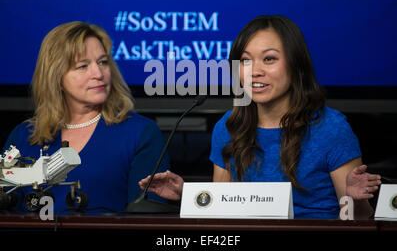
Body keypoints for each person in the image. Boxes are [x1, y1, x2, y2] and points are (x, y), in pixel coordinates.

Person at [139, 15, 381, 219]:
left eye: (269, 59)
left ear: (295, 65)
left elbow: (356, 222)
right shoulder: (228, 126)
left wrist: (356, 202)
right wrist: (189, 196)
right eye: (245, 60)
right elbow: (220, 213)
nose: (255, 71)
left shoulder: (332, 127)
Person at [2, 21, 169, 213]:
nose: (98, 74)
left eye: (103, 62)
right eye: (82, 66)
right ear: (56, 77)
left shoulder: (140, 133)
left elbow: (148, 218)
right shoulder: (24, 135)